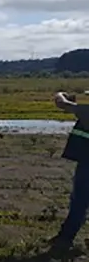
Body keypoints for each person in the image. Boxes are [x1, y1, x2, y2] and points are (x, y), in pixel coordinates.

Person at [49, 90, 89, 251]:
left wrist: (60, 93)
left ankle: (65, 238)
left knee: (79, 201)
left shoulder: (86, 111)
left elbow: (62, 104)